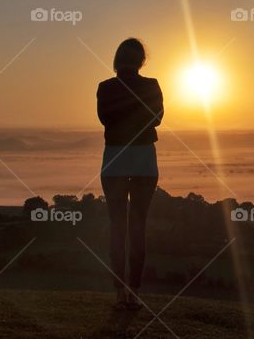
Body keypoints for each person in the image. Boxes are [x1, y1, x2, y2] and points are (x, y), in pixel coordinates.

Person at [97, 38, 162, 310]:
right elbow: (156, 118)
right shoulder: (151, 85)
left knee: (117, 227)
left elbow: (105, 118)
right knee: (138, 227)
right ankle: (134, 292)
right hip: (144, 160)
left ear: (117, 59)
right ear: (141, 60)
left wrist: (123, 118)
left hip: (115, 159)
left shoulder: (106, 87)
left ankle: (119, 294)